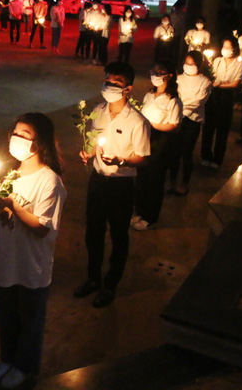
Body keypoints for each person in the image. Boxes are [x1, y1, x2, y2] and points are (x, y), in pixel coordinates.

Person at [0, 113, 66, 389]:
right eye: (15, 132)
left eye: (24, 134)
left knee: (30, 320)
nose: (16, 138)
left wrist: (13, 205)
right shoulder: (5, 171)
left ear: (39, 143)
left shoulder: (49, 182)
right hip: (5, 261)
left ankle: (26, 367)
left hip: (31, 266)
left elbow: (42, 228)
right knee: (5, 315)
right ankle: (7, 359)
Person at [75, 62, 150, 308]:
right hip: (98, 181)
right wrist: (88, 152)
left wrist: (121, 160)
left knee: (118, 235)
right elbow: (94, 142)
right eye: (107, 81)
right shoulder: (98, 110)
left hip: (121, 185)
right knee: (93, 233)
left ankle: (110, 284)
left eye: (115, 83)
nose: (108, 86)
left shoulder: (137, 121)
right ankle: (93, 279)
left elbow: (142, 157)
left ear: (127, 89)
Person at [132, 60, 182, 231]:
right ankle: (139, 212)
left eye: (161, 72)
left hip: (161, 142)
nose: (156, 75)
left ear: (169, 76)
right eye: (154, 71)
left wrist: (153, 125)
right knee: (141, 176)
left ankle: (150, 217)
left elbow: (175, 126)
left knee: (155, 179)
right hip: (145, 138)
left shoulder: (173, 99)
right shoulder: (149, 95)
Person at [167, 51, 212, 195]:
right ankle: (172, 181)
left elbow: (198, 102)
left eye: (192, 64)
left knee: (187, 153)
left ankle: (184, 183)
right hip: (176, 119)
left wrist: (180, 106)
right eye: (186, 63)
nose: (188, 66)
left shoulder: (205, 82)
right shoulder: (178, 79)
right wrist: (178, 106)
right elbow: (173, 97)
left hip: (192, 121)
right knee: (174, 152)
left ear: (198, 65)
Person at [201, 38, 242, 167]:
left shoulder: (239, 65)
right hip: (213, 96)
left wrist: (220, 85)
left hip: (226, 98)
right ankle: (206, 156)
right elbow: (211, 75)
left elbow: (235, 83)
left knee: (222, 129)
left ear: (234, 49)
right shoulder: (217, 61)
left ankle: (217, 159)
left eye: (228, 47)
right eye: (224, 46)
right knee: (208, 127)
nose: (225, 49)